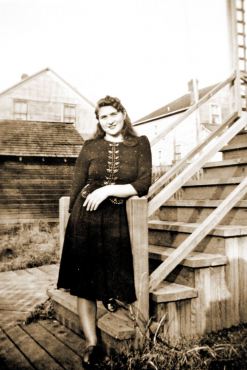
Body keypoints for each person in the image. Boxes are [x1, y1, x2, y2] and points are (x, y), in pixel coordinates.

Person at [57, 95, 152, 367]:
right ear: (98, 121)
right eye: (103, 117)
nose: (109, 121)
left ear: (123, 113)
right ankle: (92, 344)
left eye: (113, 114)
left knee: (113, 273)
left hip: (116, 219)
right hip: (84, 219)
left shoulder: (140, 144)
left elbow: (143, 182)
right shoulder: (90, 146)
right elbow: (77, 186)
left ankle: (110, 298)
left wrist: (109, 189)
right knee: (84, 284)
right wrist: (69, 225)